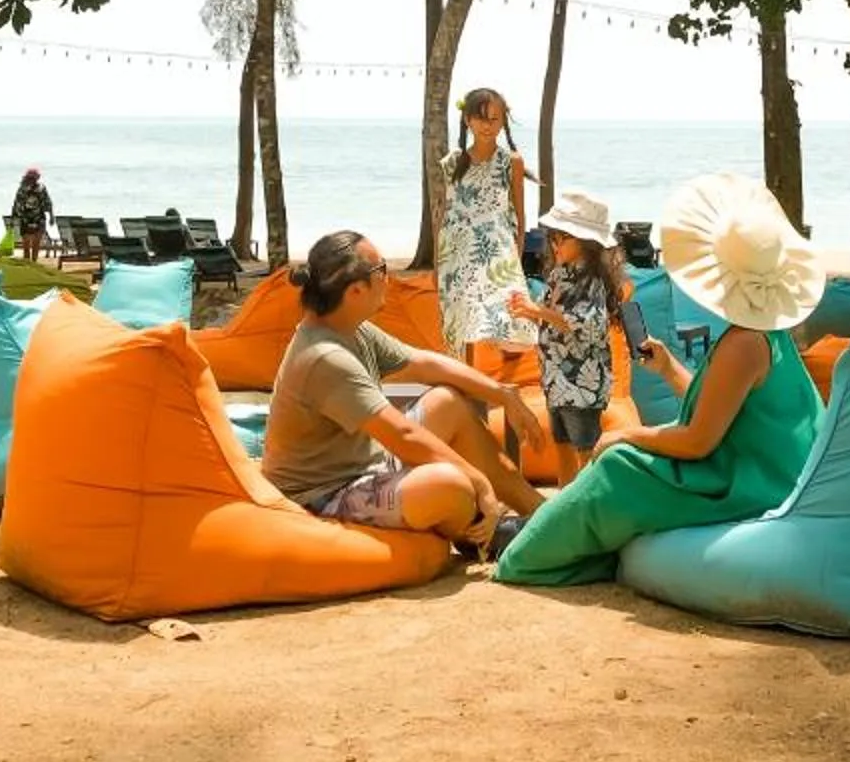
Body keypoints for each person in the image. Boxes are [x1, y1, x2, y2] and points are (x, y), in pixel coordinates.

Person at [492, 174, 825, 588]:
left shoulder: (743, 344)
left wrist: (629, 437)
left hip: (747, 483)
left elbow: (698, 440)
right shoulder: (765, 334)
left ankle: (525, 548)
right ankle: (541, 530)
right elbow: (714, 411)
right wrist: (669, 369)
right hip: (757, 466)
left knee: (617, 465)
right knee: (613, 457)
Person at [262, 230, 547, 559]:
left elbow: (424, 364)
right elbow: (402, 435)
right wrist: (479, 483)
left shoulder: (349, 328)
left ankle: (539, 512)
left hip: (366, 465)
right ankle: (487, 534)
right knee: (448, 482)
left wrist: (503, 396)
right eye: (381, 270)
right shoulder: (324, 357)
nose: (389, 278)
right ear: (355, 290)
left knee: (448, 402)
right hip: (324, 494)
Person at [508, 188, 625, 483]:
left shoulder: (592, 280)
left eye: (563, 237)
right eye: (552, 237)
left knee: (585, 451)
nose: (555, 243)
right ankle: (565, 501)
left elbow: (586, 323)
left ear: (585, 243)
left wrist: (536, 312)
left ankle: (587, 506)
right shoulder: (559, 275)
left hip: (582, 386)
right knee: (561, 445)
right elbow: (551, 321)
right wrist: (530, 316)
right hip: (556, 379)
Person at [437, 88, 534, 387]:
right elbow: (446, 215)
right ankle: (467, 388)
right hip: (457, 251)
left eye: (495, 118)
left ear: (503, 121)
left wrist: (515, 257)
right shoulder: (452, 163)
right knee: (463, 323)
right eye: (481, 118)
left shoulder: (511, 162)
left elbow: (519, 215)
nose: (488, 125)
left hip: (498, 252)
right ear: (467, 120)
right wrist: (437, 263)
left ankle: (505, 385)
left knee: (508, 317)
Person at [9, 168, 53, 263]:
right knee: (26, 243)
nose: (31, 180)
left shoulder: (41, 188)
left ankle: (33, 262)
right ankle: (27, 262)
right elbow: (16, 204)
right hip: (26, 219)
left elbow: (47, 202)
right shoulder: (22, 189)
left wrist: (51, 216)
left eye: (33, 178)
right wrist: (13, 218)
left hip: (38, 218)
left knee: (36, 243)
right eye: (30, 178)